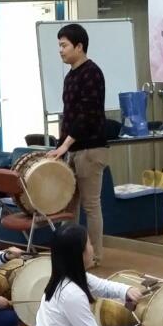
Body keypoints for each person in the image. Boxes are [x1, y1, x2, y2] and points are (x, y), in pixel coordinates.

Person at [25, 225, 144, 326]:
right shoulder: (72, 294)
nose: (92, 247)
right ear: (79, 254)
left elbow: (102, 286)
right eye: (88, 244)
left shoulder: (64, 277)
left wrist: (127, 290)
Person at [46, 23, 109, 262]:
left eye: (64, 45)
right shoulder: (71, 76)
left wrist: (65, 145)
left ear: (79, 47)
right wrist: (61, 146)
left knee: (91, 205)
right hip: (74, 149)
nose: (60, 50)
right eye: (59, 45)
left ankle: (95, 256)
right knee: (70, 207)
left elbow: (86, 115)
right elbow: (69, 115)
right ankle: (74, 255)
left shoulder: (92, 72)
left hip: (91, 149)